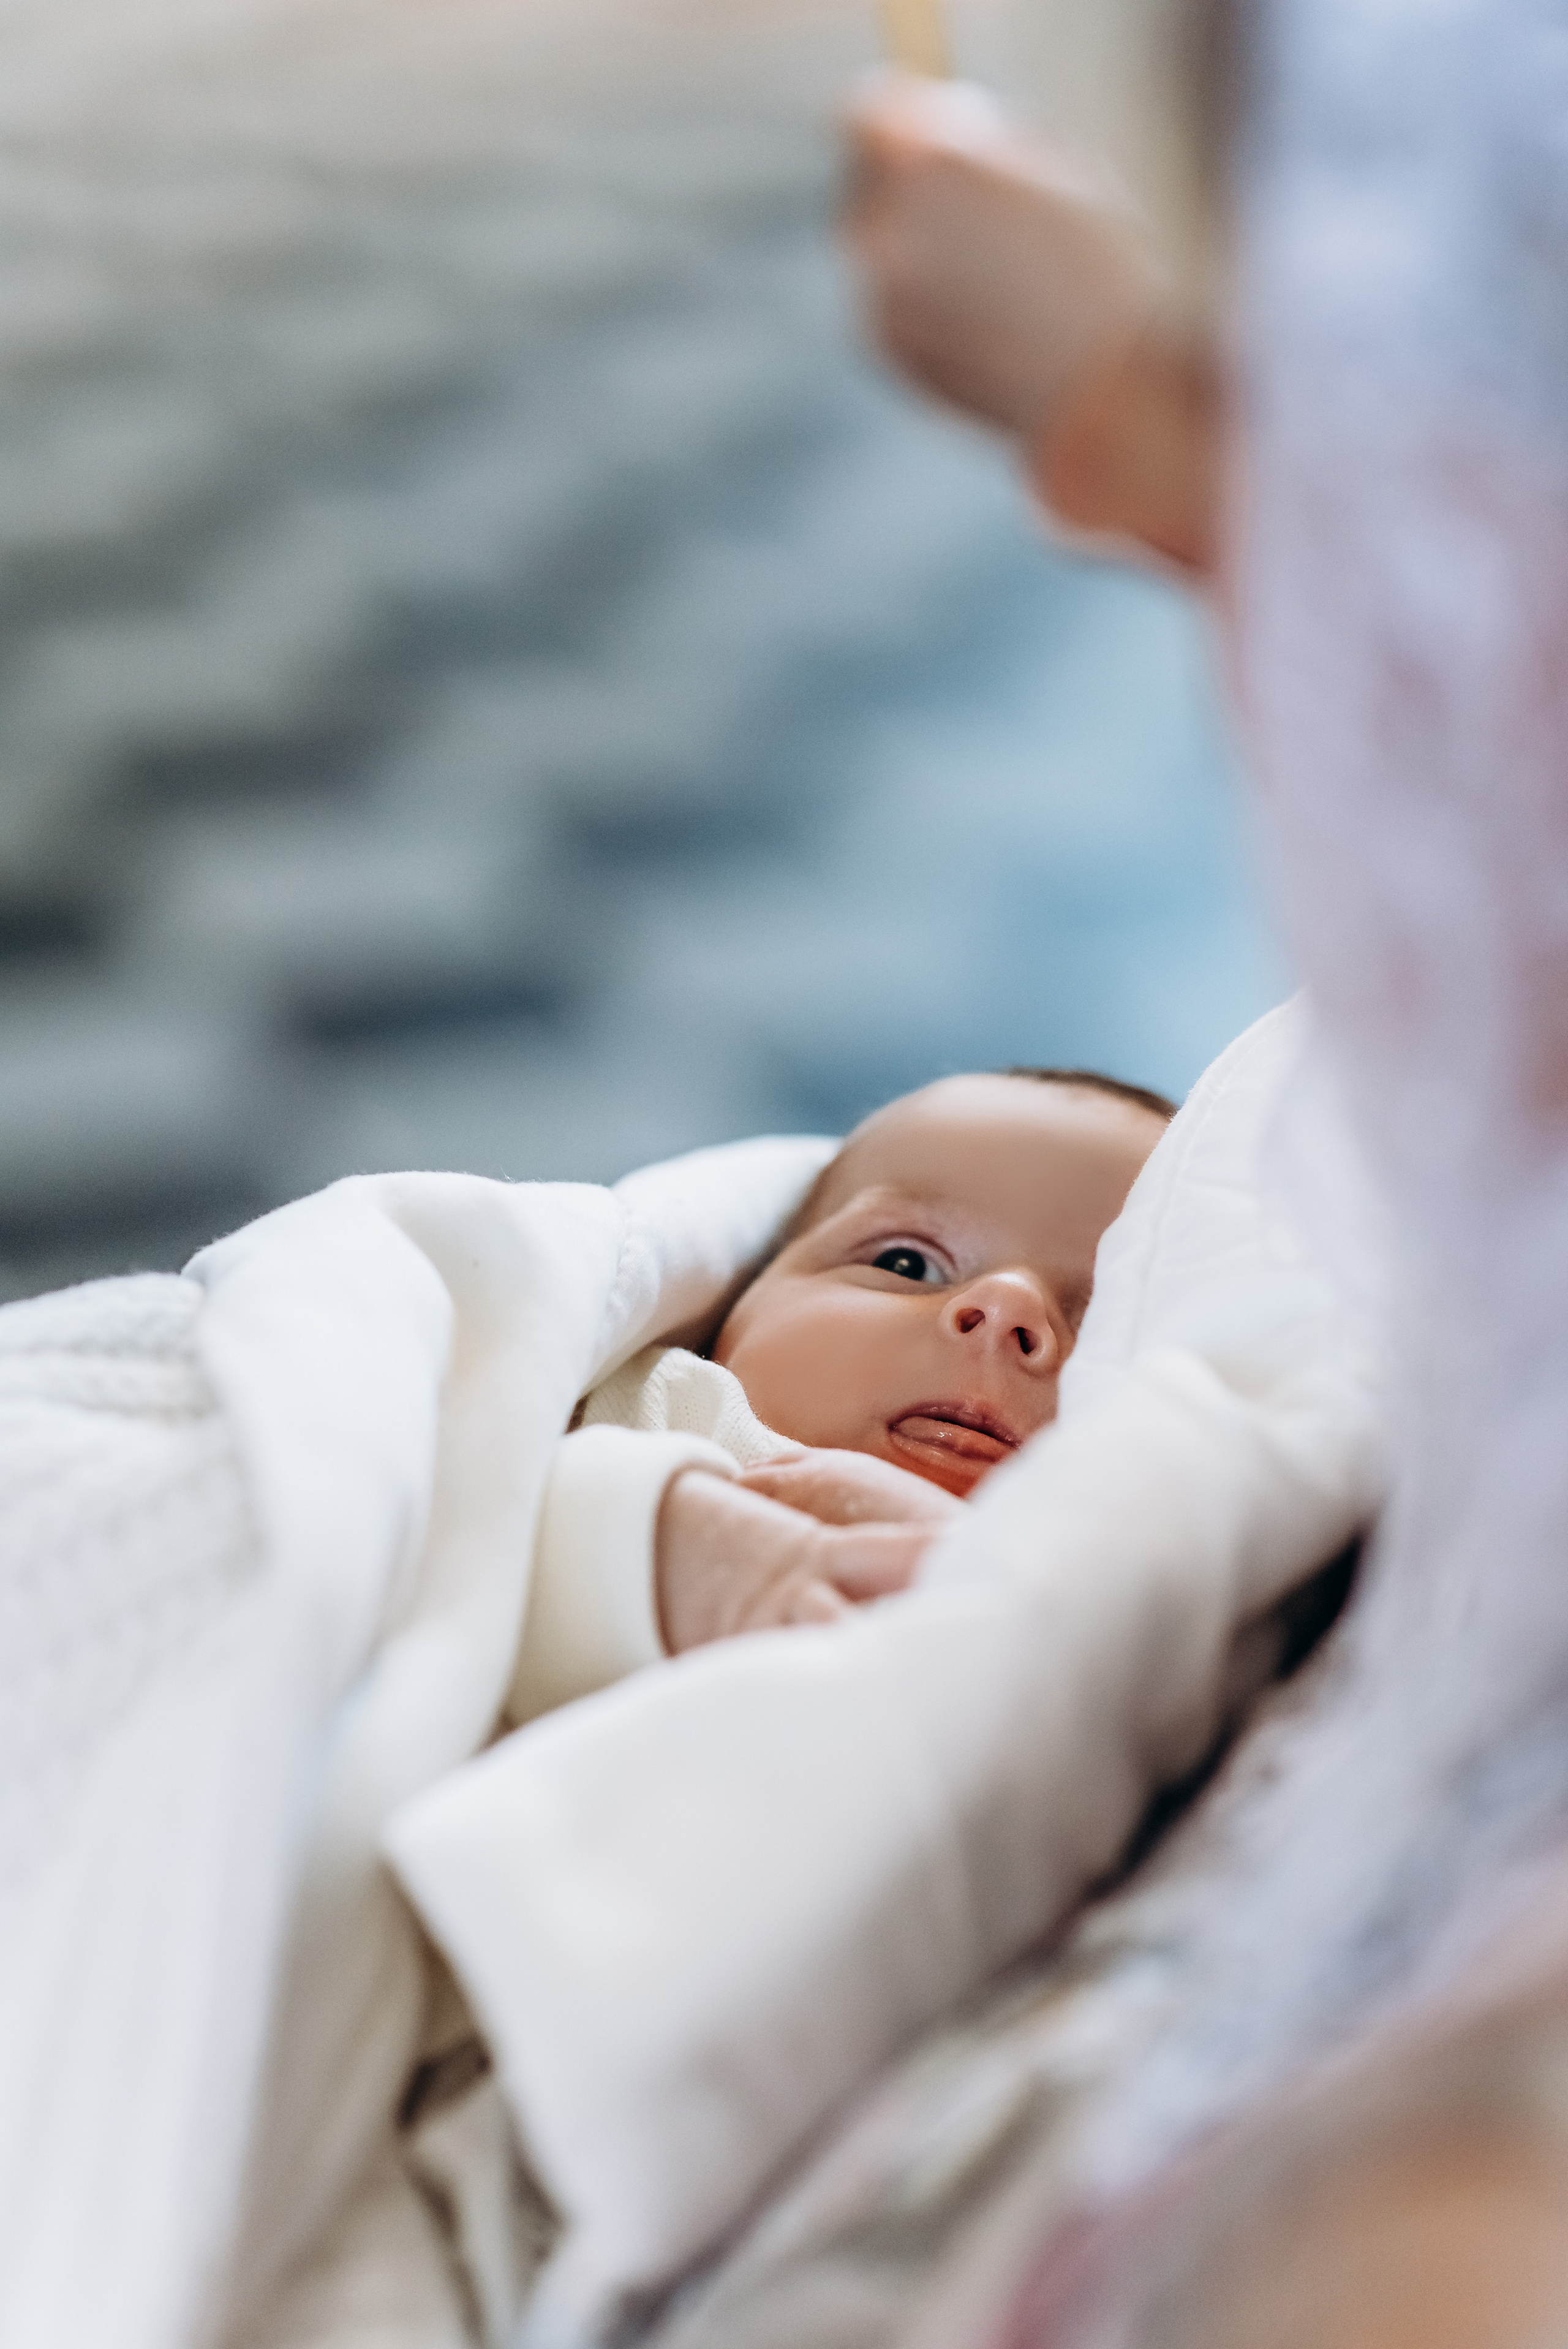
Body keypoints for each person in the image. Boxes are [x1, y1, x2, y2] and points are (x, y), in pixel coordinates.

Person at [506, 1065, 1172, 1721]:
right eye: (904, 1263)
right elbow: (490, 1509)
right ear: (736, 1303)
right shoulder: (674, 1408)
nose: (1005, 1308)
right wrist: (668, 1545)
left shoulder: (1131, 1578)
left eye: (1113, 1316)